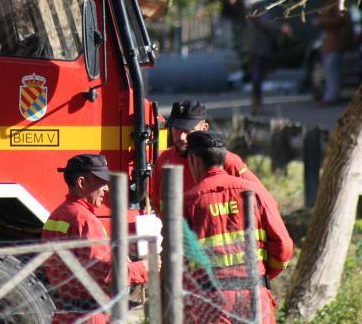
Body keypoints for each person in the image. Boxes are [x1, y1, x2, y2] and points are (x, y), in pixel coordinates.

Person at [182, 131, 293, 324]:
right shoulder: (255, 191)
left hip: (212, 302)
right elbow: (284, 247)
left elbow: (177, 260)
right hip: (255, 296)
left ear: (194, 160)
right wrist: (264, 276)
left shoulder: (189, 201)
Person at [42, 154, 150, 323]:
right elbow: (106, 275)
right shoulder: (85, 220)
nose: (106, 188)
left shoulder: (56, 216)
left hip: (64, 314)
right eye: (101, 182)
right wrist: (143, 268)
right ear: (82, 182)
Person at [150, 100, 270, 213]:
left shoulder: (228, 162)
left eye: (188, 130)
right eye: (177, 129)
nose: (181, 137)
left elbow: (266, 202)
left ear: (204, 128)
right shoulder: (164, 161)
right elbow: (157, 205)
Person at [244, 0, 291, 114]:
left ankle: (256, 103)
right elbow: (265, 22)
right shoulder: (261, 4)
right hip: (262, 43)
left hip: (255, 42)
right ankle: (257, 104)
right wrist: (281, 28)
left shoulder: (252, 2)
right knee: (259, 74)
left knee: (257, 74)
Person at [314, 0, 354, 105]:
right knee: (330, 69)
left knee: (333, 69)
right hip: (330, 40)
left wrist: (321, 21)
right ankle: (330, 95)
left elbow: (341, 19)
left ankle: (331, 96)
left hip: (336, 40)